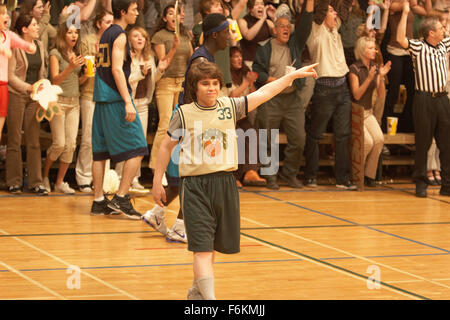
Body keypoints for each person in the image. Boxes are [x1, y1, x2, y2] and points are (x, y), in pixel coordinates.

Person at [152, 60, 318, 300]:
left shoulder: (230, 106)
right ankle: (210, 301)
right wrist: (158, 181)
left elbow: (264, 93)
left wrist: (290, 78)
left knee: (210, 247)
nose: (211, 88)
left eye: (215, 83)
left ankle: (198, 292)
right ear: (194, 88)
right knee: (201, 247)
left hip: (225, 184)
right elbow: (166, 147)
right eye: (205, 84)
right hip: (195, 186)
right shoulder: (184, 114)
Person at [142, 13, 230, 244]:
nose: (230, 36)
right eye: (226, 31)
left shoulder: (203, 56)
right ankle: (180, 227)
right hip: (189, 123)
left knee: (180, 179)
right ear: (215, 34)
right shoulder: (202, 61)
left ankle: (156, 214)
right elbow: (195, 100)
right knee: (195, 177)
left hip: (186, 121)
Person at [90, 0, 148, 217]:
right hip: (115, 98)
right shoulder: (120, 35)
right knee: (139, 147)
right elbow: (116, 69)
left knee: (100, 152)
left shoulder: (106, 33)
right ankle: (121, 198)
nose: (136, 14)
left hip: (101, 97)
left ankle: (98, 201)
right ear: (123, 12)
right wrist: (126, 100)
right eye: (133, 10)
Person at [253, 0, 314, 189]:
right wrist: (276, 81)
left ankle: (290, 174)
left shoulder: (295, 44)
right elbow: (258, 73)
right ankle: (270, 176)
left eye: (289, 27)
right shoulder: (264, 48)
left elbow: (306, 22)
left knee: (299, 138)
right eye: (282, 26)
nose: (286, 29)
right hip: (271, 98)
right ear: (275, 30)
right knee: (267, 138)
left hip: (292, 98)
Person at [396, 2, 450, 197]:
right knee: (423, 143)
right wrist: (405, 13)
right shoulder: (418, 47)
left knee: (446, 144)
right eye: (440, 29)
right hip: (424, 100)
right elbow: (400, 38)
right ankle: (420, 182)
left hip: (443, 99)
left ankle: (447, 184)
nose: (443, 31)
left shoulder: (444, 44)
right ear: (430, 34)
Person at [303, 0, 357, 190]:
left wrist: (341, 6)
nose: (335, 15)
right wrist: (325, 6)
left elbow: (344, 9)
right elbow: (318, 11)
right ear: (323, 14)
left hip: (342, 87)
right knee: (316, 134)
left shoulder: (335, 28)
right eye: (331, 12)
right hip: (324, 88)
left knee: (343, 135)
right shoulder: (315, 29)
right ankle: (310, 176)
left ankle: (342, 178)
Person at [115, 26, 167, 192]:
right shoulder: (126, 57)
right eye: (136, 36)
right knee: (125, 141)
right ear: (129, 40)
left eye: (143, 37)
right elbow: (125, 80)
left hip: (143, 104)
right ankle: (119, 177)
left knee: (139, 142)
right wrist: (141, 74)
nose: (140, 39)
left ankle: (134, 178)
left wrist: (159, 70)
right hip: (128, 103)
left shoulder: (149, 57)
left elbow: (153, 80)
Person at [149, 2, 193, 181]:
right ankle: (155, 168)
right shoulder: (159, 36)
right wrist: (174, 47)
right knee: (165, 124)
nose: (174, 17)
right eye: (170, 14)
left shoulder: (185, 34)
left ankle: (174, 168)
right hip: (165, 83)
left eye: (177, 14)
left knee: (180, 126)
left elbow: (191, 58)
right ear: (165, 17)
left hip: (182, 83)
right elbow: (163, 62)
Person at [42, 17, 86, 194]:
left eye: (76, 32)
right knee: (59, 143)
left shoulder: (77, 53)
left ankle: (60, 182)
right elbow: (55, 79)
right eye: (70, 32)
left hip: (74, 102)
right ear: (63, 34)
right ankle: (45, 176)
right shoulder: (56, 53)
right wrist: (70, 67)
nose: (74, 35)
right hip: (58, 101)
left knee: (71, 145)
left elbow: (77, 81)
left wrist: (88, 76)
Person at [6, 14, 48, 195]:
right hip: (17, 94)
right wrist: (29, 88)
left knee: (34, 140)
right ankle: (14, 181)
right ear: (24, 29)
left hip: (34, 97)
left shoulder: (39, 45)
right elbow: (11, 77)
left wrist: (42, 90)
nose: (37, 27)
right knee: (14, 139)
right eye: (34, 25)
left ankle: (35, 182)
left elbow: (42, 73)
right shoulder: (15, 46)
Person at [75, 9, 114, 193]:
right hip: (89, 92)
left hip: (107, 94)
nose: (110, 26)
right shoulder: (87, 41)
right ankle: (83, 177)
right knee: (89, 138)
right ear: (98, 24)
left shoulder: (114, 42)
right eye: (107, 22)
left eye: (112, 22)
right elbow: (83, 70)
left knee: (105, 138)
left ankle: (103, 180)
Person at [348, 36, 391, 187]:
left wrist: (380, 77)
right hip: (356, 112)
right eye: (371, 48)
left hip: (369, 111)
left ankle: (369, 176)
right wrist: (370, 78)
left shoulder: (375, 67)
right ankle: (356, 175)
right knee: (367, 142)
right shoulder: (354, 69)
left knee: (379, 139)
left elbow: (380, 95)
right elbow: (357, 95)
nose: (374, 50)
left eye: (374, 48)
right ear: (362, 50)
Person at [0, 4, 36, 151]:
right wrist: (2, 49)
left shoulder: (8, 35)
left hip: (3, 87)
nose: (7, 16)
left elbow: (22, 43)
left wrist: (29, 47)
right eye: (3, 14)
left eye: (7, 14)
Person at [229, 46, 266, 187]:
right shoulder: (226, 75)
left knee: (252, 134)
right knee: (236, 136)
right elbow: (232, 96)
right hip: (229, 116)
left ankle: (251, 172)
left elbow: (253, 97)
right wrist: (246, 82)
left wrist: (251, 83)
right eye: (235, 57)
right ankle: (235, 175)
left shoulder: (245, 73)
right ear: (229, 59)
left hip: (243, 114)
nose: (239, 59)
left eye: (240, 56)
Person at [238, 0, 276, 69]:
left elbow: (277, 35)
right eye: (256, 4)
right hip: (249, 62)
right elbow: (248, 36)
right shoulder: (243, 21)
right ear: (250, 9)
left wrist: (274, 18)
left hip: (265, 61)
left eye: (262, 4)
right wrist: (262, 19)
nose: (260, 6)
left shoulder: (268, 22)